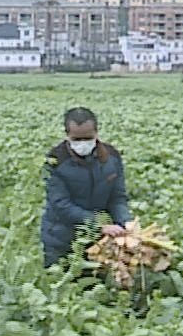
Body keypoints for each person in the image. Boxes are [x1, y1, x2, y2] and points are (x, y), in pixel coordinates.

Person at [41, 107, 132, 267]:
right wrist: (99, 225)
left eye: (87, 138)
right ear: (67, 135)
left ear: (96, 133)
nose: (82, 143)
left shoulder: (111, 158)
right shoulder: (55, 161)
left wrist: (125, 222)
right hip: (61, 239)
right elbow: (61, 205)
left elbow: (117, 197)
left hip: (97, 239)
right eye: (77, 139)